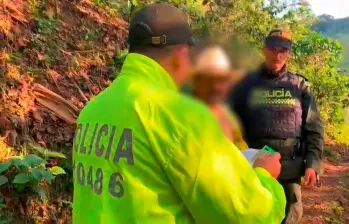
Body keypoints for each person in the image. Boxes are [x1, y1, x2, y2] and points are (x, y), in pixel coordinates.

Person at [72, 3, 286, 223]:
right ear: (181, 53)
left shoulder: (92, 111)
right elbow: (246, 214)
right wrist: (265, 176)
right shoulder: (183, 116)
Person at [228, 29, 324, 224]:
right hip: (255, 165)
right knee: (256, 216)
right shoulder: (246, 84)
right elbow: (228, 123)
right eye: (273, 49)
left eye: (283, 50)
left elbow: (313, 127)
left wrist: (312, 164)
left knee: (290, 216)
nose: (278, 55)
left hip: (290, 167)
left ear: (288, 53)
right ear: (264, 50)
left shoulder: (299, 85)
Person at [191, 46, 248, 150]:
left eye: (221, 80)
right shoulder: (187, 116)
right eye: (208, 80)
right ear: (197, 82)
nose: (215, 87)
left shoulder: (228, 116)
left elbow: (241, 147)